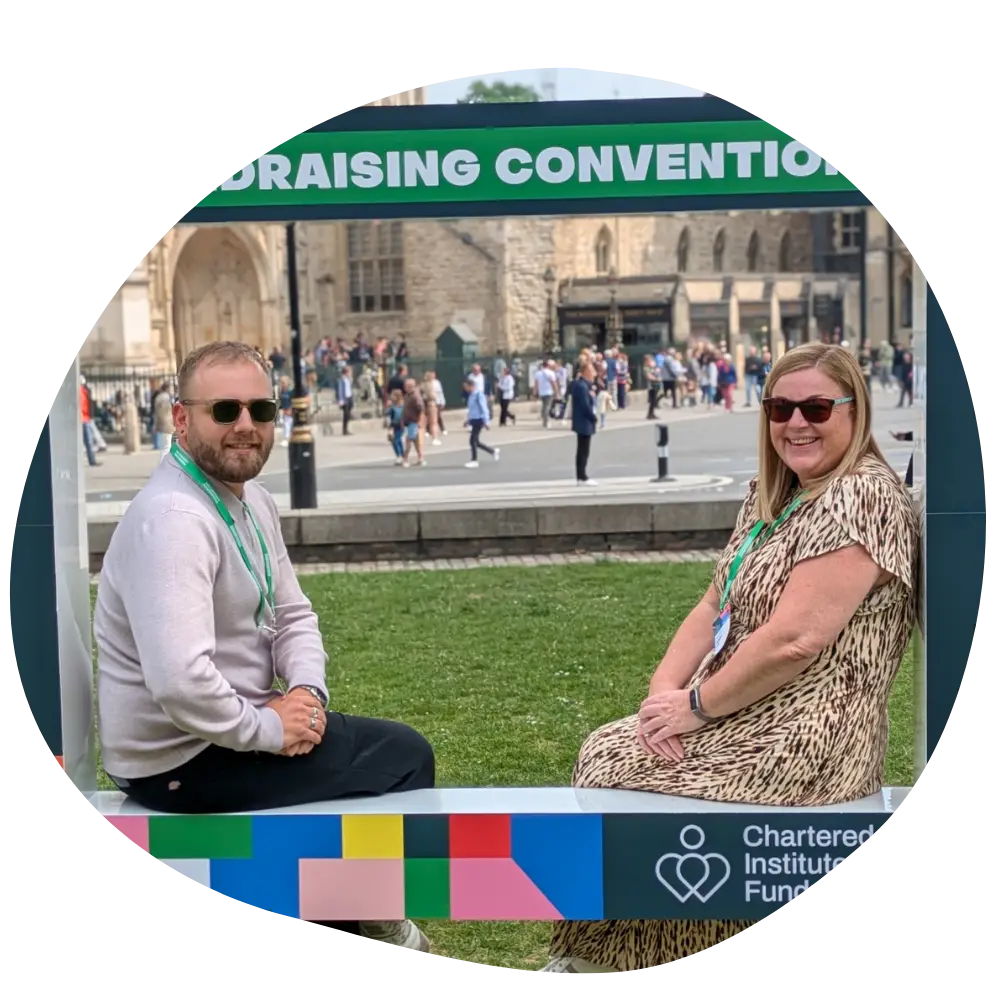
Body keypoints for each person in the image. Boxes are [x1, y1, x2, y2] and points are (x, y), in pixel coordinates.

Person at [537, 343, 919, 975]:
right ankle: (601, 954)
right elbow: (714, 600)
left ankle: (619, 958)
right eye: (780, 407)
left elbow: (796, 640)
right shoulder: (779, 495)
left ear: (856, 413)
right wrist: (663, 694)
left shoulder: (863, 497)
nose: (796, 423)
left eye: (817, 407)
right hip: (742, 711)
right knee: (613, 748)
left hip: (810, 736)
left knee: (613, 767)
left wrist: (693, 706)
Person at [94, 340, 435, 953]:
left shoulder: (250, 501)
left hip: (226, 730)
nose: (245, 426)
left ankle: (363, 921)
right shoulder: (175, 518)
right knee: (402, 759)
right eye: (224, 411)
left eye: (262, 410)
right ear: (180, 418)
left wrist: (305, 695)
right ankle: (372, 923)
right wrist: (271, 731)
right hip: (176, 760)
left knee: (362, 771)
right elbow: (179, 682)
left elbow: (294, 614)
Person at [569, 358, 598, 485]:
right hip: (584, 421)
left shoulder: (583, 385)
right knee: (583, 450)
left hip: (583, 421)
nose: (594, 373)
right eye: (591, 370)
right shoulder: (582, 386)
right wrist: (593, 417)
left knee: (583, 449)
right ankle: (582, 476)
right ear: (585, 371)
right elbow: (585, 405)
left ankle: (581, 476)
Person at [463, 376, 499, 468]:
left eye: (466, 387)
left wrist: (486, 421)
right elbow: (472, 410)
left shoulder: (478, 395)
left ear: (471, 386)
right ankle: (492, 451)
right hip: (474, 419)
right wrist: (468, 420)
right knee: (476, 441)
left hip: (479, 420)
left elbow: (483, 408)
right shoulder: (471, 396)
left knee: (472, 440)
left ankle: (474, 460)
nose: (465, 389)